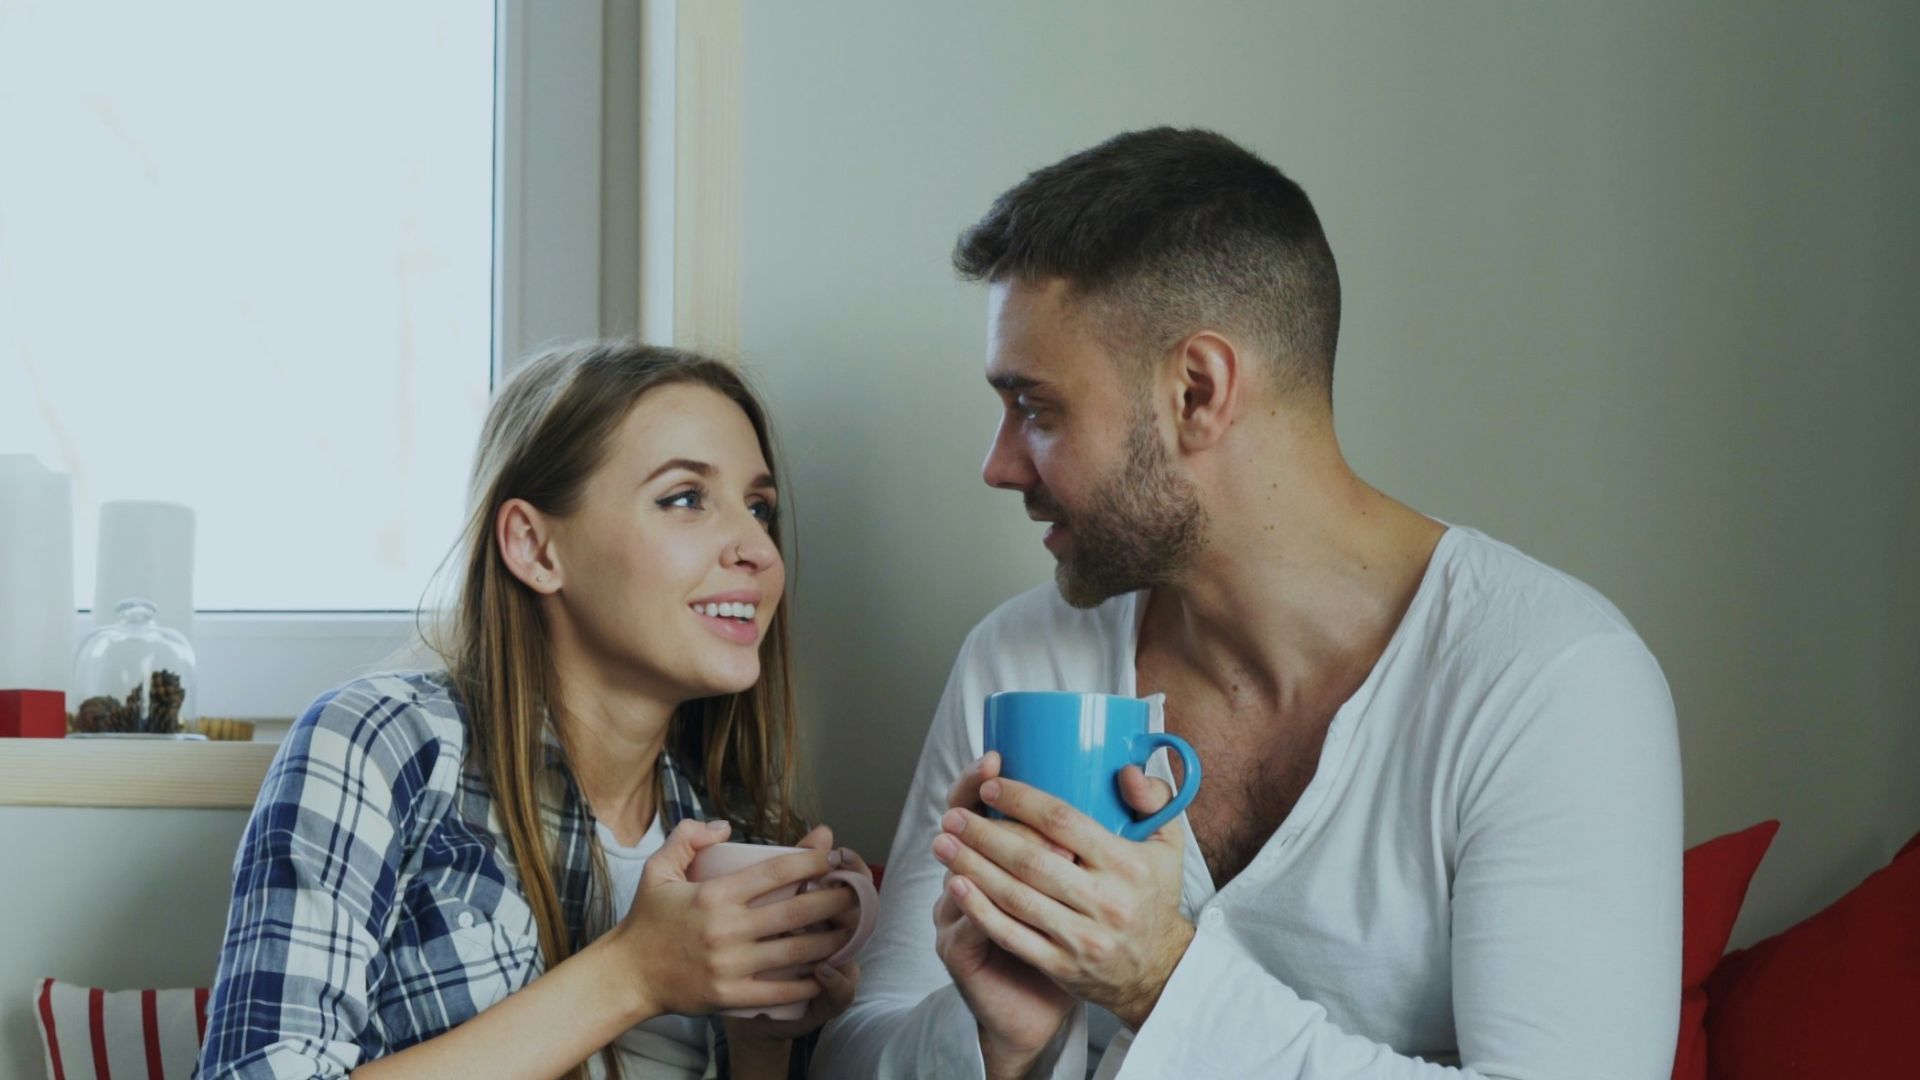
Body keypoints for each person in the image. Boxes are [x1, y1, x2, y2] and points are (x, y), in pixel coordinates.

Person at [815, 128, 1682, 1079]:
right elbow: (853, 1056)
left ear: (1198, 389)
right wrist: (1000, 1043)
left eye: (1037, 409)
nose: (999, 464)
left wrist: (1160, 980)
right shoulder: (1023, 663)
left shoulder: (1550, 681)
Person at [199, 341, 873, 1080]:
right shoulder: (382, 744)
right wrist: (634, 974)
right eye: (685, 498)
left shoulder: (736, 824)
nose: (757, 550)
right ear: (534, 546)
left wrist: (763, 1039)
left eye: (759, 508)